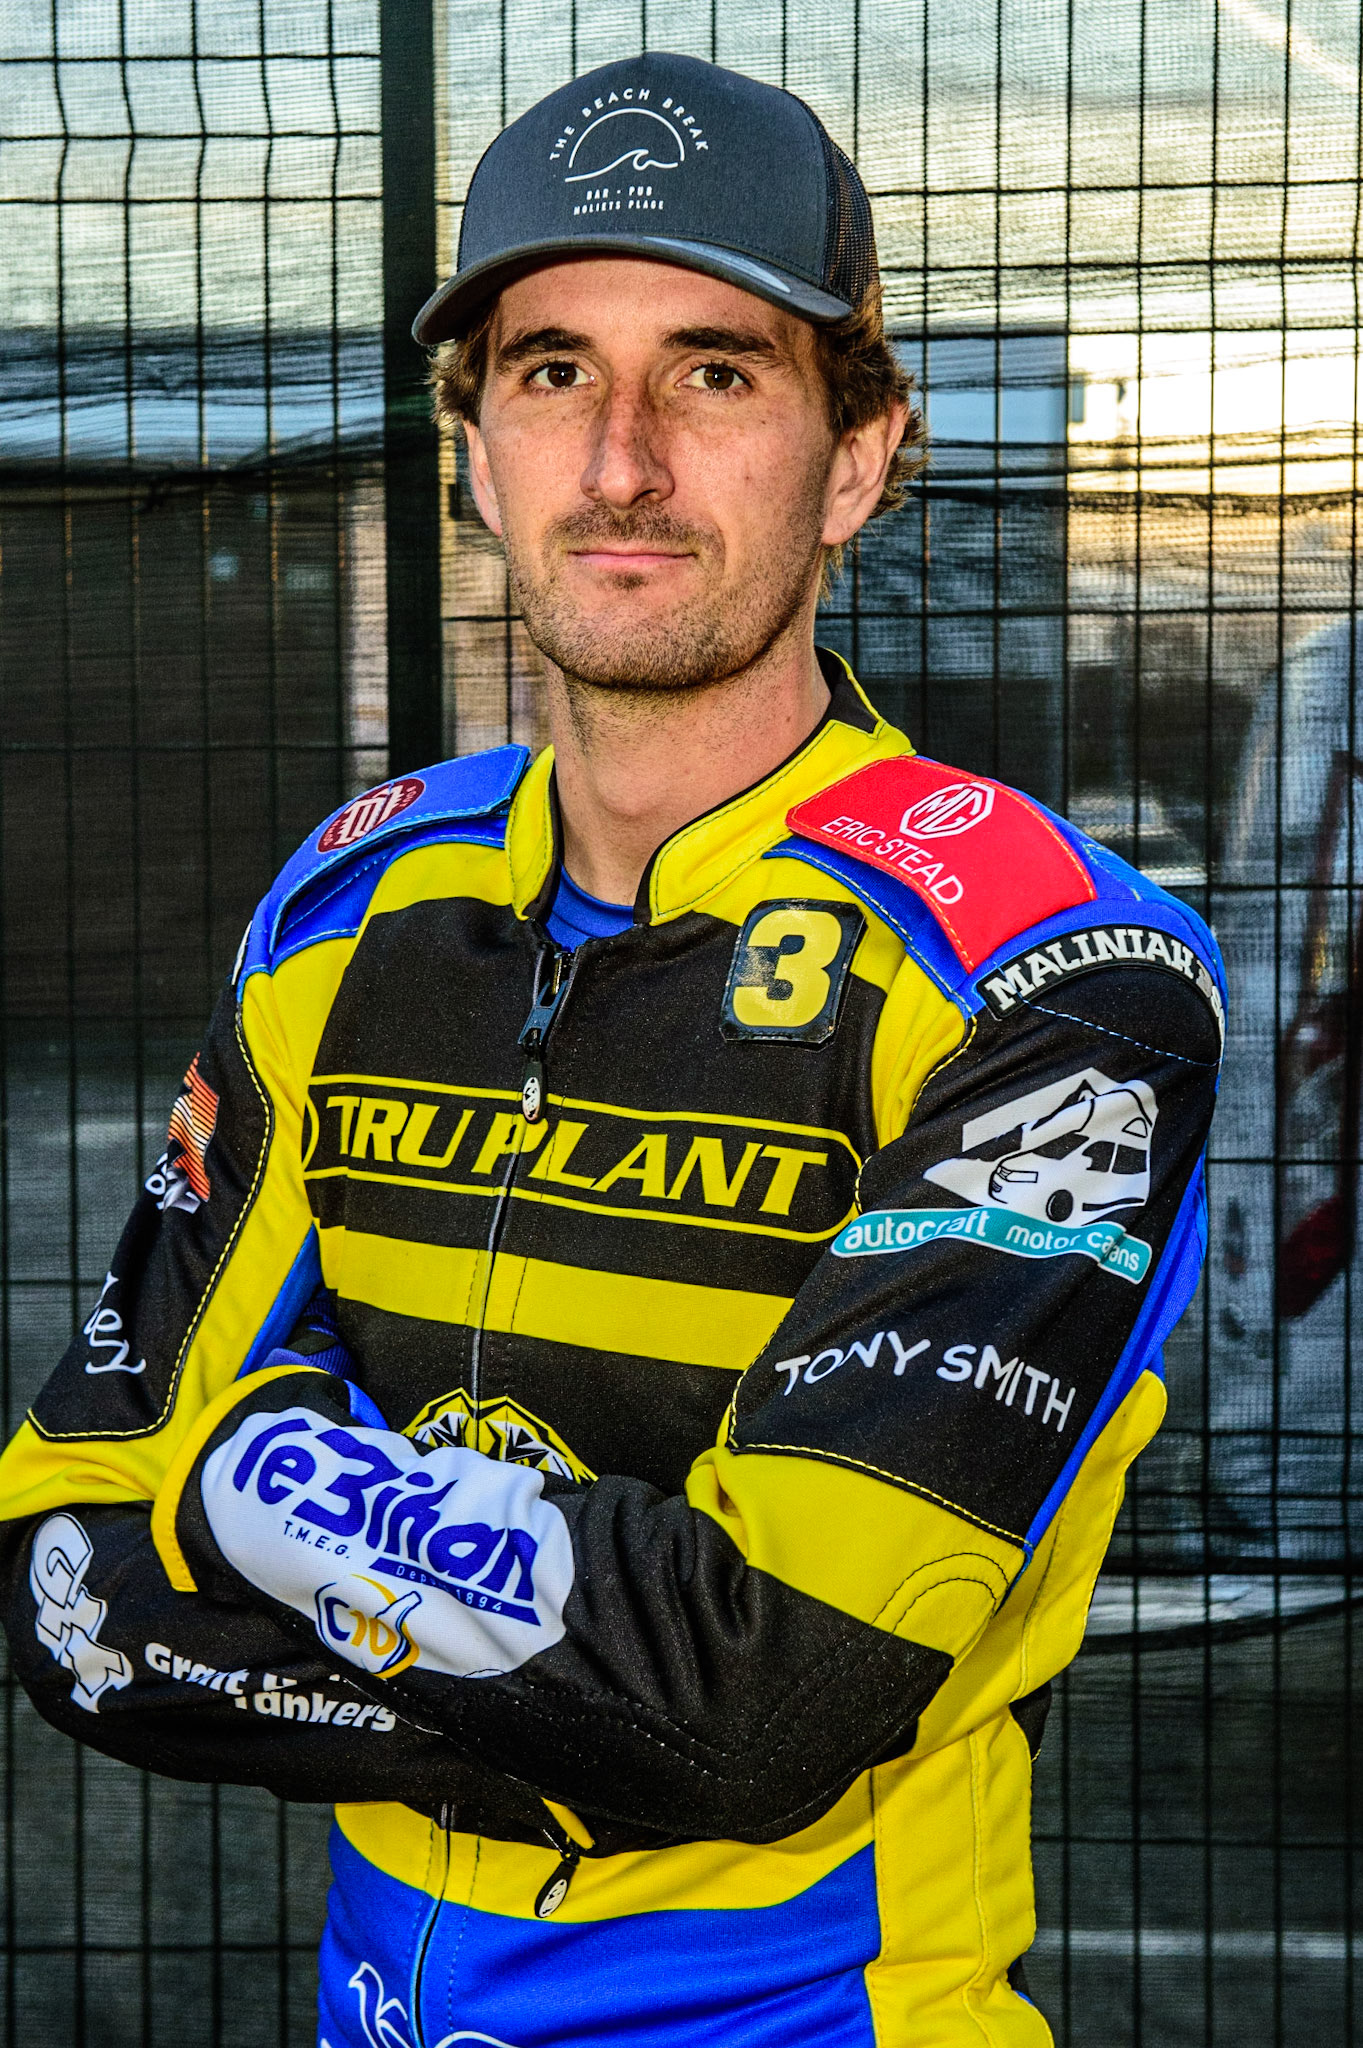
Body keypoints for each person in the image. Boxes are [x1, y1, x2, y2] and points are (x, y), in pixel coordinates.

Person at [0, 51, 1224, 2048]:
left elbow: (761, 1701)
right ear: (471, 444)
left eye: (717, 372)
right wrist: (550, 1650)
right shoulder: (344, 907)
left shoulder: (1053, 979)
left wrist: (258, 1482)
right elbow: (68, 1574)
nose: (624, 456)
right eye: (554, 368)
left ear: (856, 455)